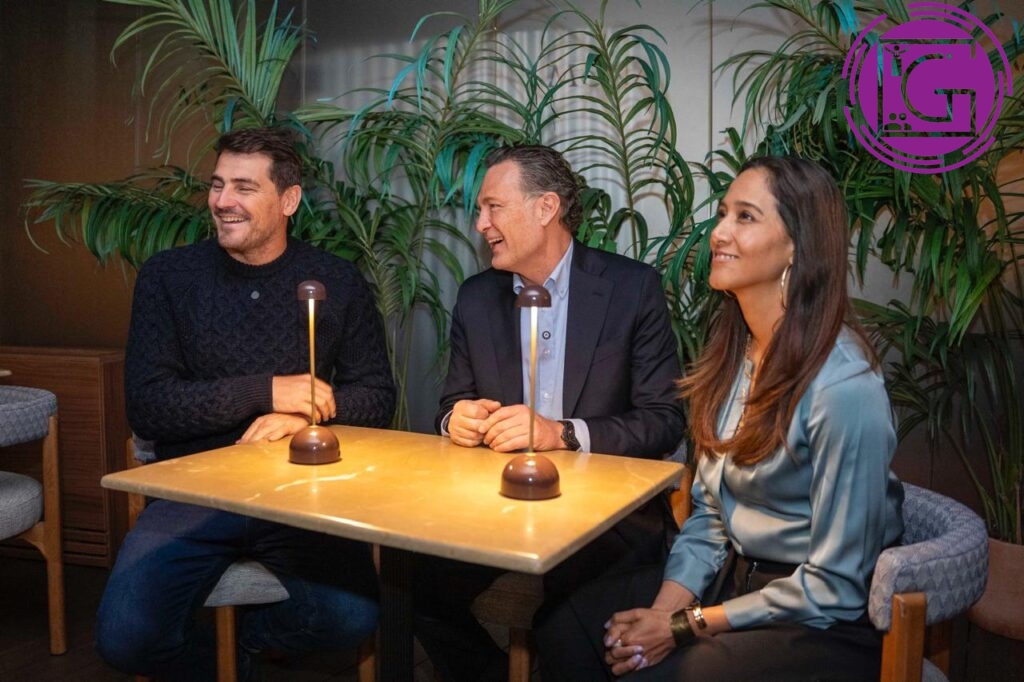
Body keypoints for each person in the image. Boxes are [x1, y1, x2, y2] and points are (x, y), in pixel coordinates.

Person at [539, 156, 905, 680]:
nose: (718, 233)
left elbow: (836, 586)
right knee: (567, 627)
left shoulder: (845, 386)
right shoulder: (736, 354)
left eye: (745, 217)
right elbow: (711, 514)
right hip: (730, 582)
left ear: (797, 245)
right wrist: (665, 610)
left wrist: (684, 625)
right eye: (722, 214)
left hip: (819, 622)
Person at [96, 127, 396, 681]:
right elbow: (149, 406)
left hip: (301, 495)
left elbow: (377, 397)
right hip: (192, 491)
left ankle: (245, 647)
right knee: (126, 638)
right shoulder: (168, 277)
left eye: (243, 187)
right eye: (217, 185)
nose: (222, 201)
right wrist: (266, 391)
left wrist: (300, 414)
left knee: (351, 618)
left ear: (289, 200)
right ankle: (225, 665)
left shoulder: (336, 280)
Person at [415, 144, 685, 681]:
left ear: (546, 208)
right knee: (408, 584)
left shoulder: (632, 289)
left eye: (493, 207)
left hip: (609, 519)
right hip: (495, 508)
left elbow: (664, 420)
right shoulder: (475, 297)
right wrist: (455, 420)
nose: (480, 224)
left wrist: (561, 433)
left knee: (565, 631)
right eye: (480, 210)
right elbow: (449, 405)